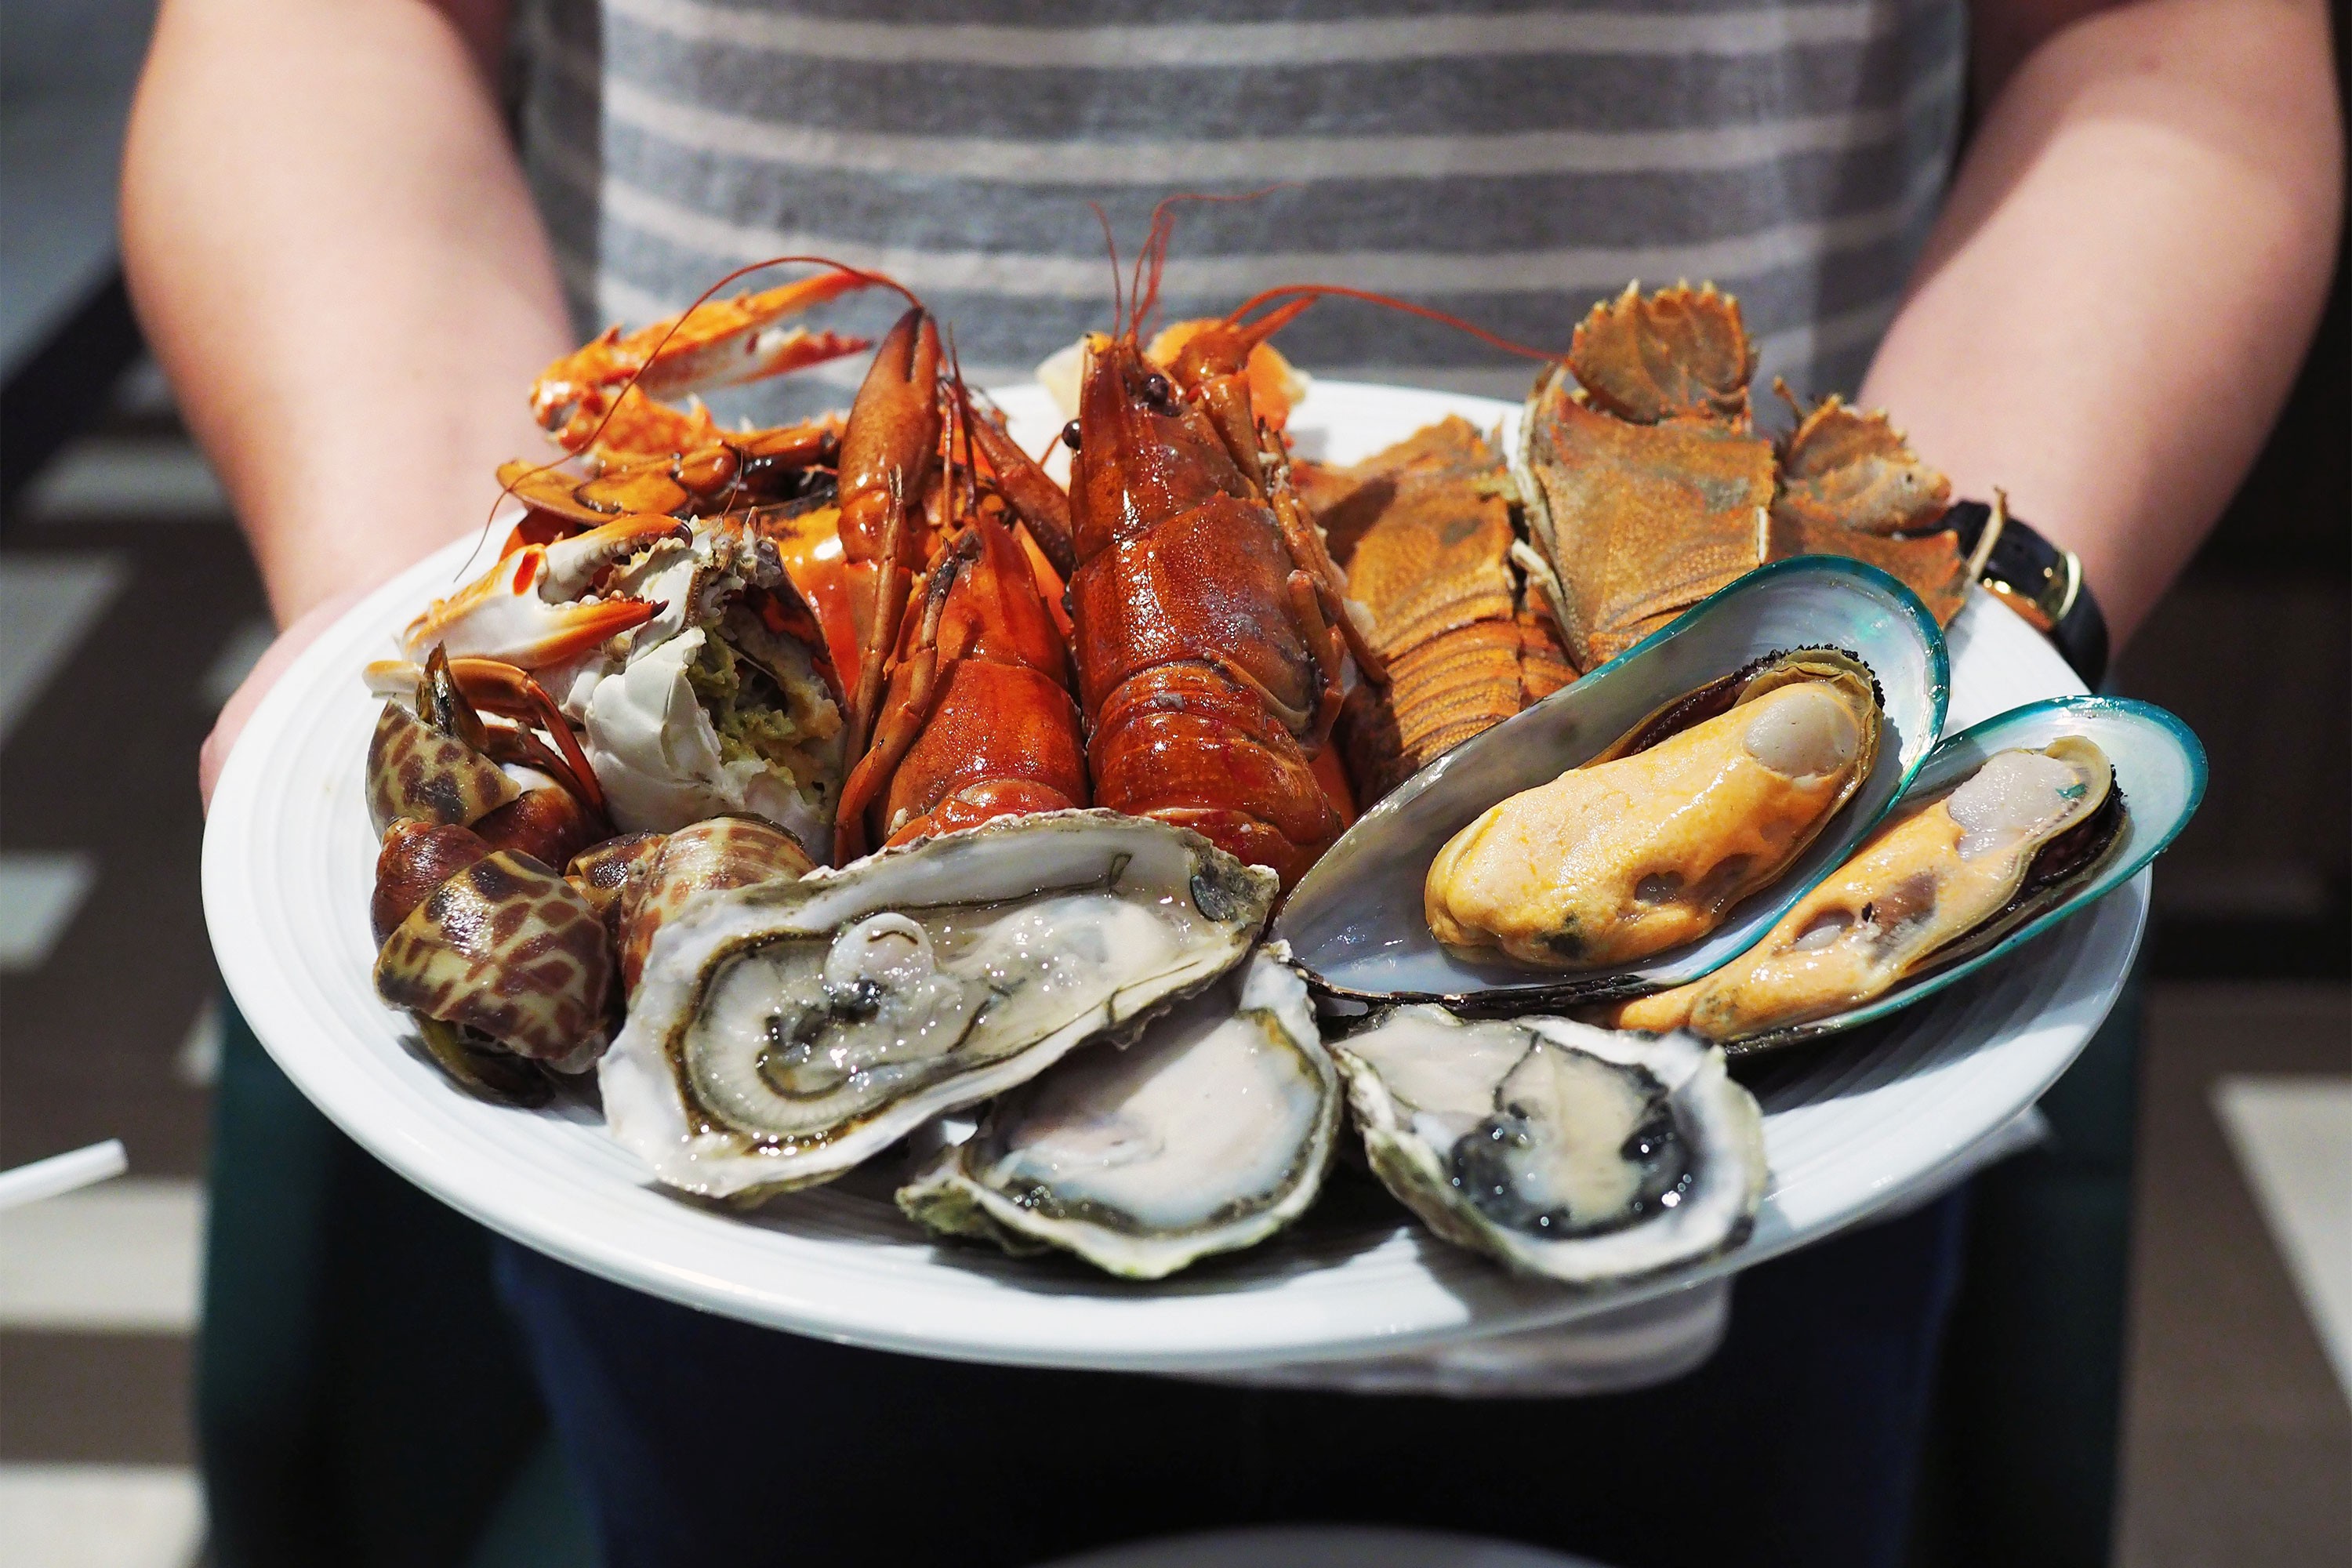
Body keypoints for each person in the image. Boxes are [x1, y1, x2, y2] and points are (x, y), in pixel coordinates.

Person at [122, 2, 2339, 1564]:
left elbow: (2171, 41)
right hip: (763, 1170)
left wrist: (1970, 631)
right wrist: (423, 625)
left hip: (1753, 1096)